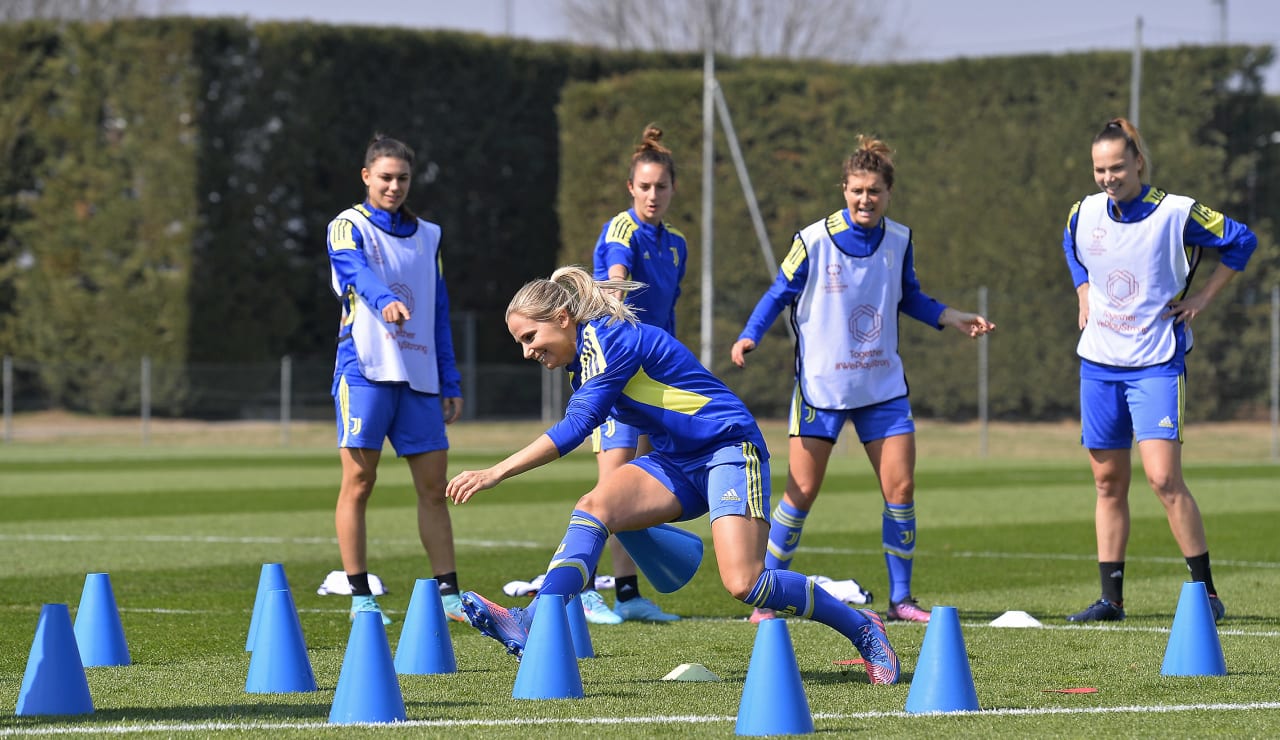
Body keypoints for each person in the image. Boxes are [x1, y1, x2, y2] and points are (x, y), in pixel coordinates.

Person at [446, 267, 900, 685]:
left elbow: (574, 429)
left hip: (728, 448)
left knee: (746, 583)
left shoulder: (609, 341)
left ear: (562, 317)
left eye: (530, 336)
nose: (527, 351)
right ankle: (535, 620)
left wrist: (496, 472)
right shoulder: (584, 359)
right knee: (593, 507)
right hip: (676, 460)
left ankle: (864, 628)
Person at [730, 135, 995, 625]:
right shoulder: (811, 240)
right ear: (844, 190)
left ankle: (901, 600)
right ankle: (765, 596)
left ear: (888, 192)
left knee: (901, 487)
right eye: (856, 190)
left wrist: (951, 316)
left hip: (881, 387)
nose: (865, 199)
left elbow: (909, 297)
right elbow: (776, 294)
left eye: (874, 190)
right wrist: (750, 336)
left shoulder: (900, 239)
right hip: (822, 389)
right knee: (800, 492)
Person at [1060, 117, 1256, 624]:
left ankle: (1206, 594)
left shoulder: (1176, 212)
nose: (1109, 177)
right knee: (1107, 483)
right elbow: (1070, 243)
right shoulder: (1083, 212)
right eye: (1100, 169)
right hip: (1098, 364)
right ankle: (1111, 600)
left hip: (1155, 363)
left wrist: (1203, 299)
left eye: (1118, 167)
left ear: (1138, 162)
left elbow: (1242, 241)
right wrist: (1082, 289)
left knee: (1164, 479)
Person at [325, 134, 467, 624]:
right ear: (366, 177)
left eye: (402, 178)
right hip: (364, 370)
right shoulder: (347, 226)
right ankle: (360, 594)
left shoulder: (431, 235)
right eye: (385, 177)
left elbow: (438, 308)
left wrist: (450, 378)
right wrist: (383, 298)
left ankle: (449, 594)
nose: (394, 186)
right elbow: (352, 271)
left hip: (421, 376)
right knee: (359, 481)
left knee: (433, 488)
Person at [581, 123, 688, 625]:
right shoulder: (621, 229)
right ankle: (581, 590)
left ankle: (627, 594)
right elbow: (617, 273)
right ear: (631, 188)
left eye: (661, 187)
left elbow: (667, 318)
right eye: (644, 186)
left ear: (672, 189)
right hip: (614, 374)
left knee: (635, 489)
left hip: (651, 378)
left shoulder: (677, 244)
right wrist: (618, 292)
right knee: (607, 489)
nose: (652, 195)